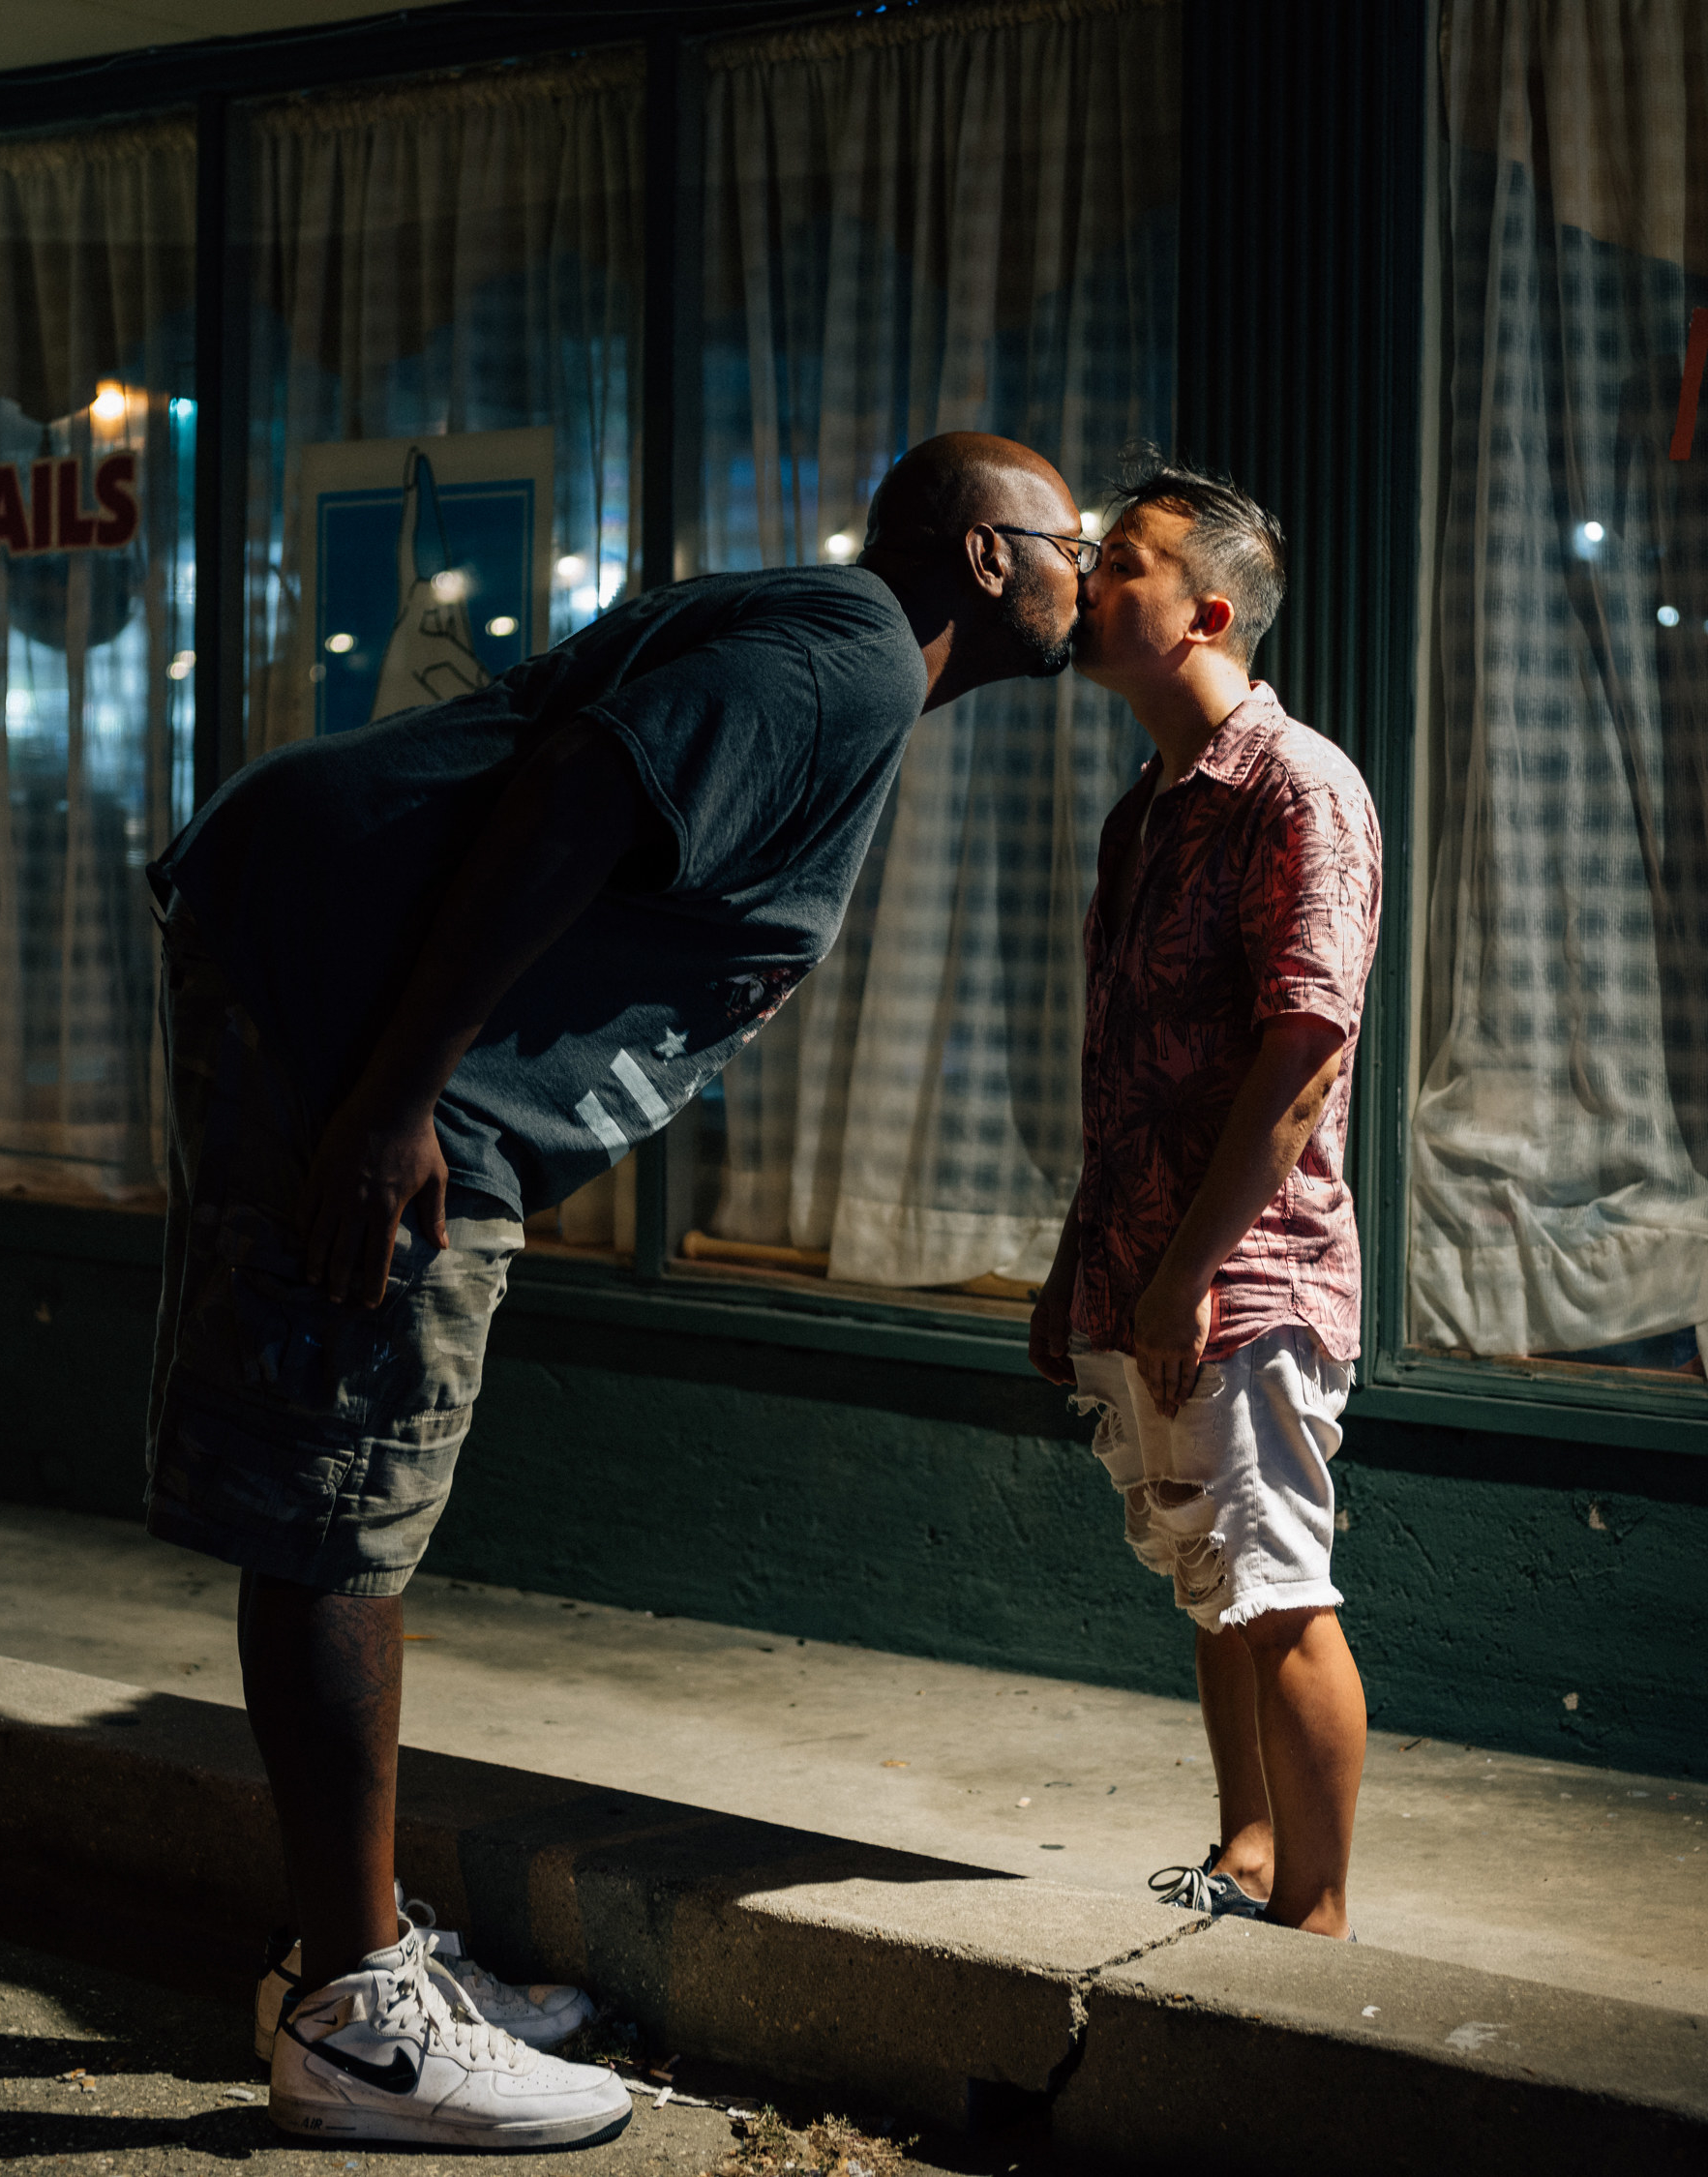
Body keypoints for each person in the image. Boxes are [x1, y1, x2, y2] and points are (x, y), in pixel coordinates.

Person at [144, 432, 1090, 2145]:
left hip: (360, 1012)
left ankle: (350, 1957)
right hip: (354, 1023)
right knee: (341, 1498)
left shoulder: (838, 657)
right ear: (981, 555)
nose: (1086, 572)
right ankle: (357, 2018)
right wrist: (395, 1100)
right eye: (1068, 540)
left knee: (351, 1492)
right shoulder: (856, 653)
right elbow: (584, 790)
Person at [1028, 461, 1382, 1941]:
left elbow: (1306, 1049)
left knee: (1281, 1583)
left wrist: (1187, 1270)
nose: (1088, 576)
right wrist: (1090, 1270)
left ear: (1207, 611)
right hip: (1152, 1267)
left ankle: (1314, 1922)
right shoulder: (1150, 808)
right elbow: (1125, 1067)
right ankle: (1246, 1854)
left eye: (1126, 559)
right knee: (1213, 1577)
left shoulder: (1298, 785)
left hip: (1250, 1273)